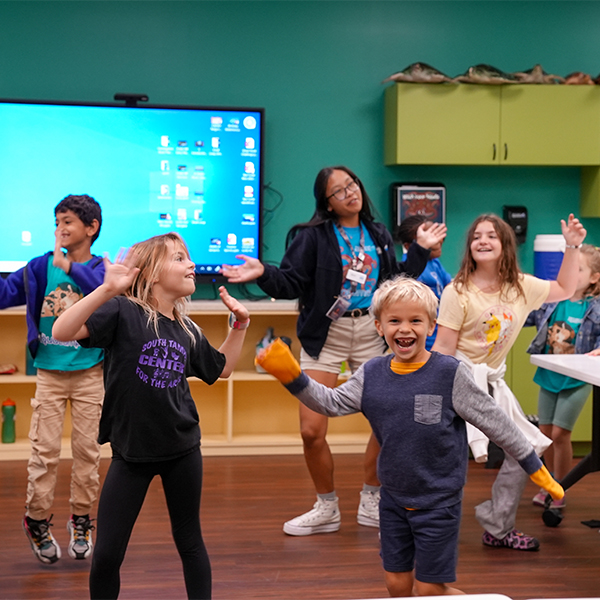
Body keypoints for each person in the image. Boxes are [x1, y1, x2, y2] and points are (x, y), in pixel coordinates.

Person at [255, 276, 563, 597]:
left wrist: (537, 471)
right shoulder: (371, 374)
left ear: (431, 327)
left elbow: (498, 424)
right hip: (393, 500)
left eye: (416, 320)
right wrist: (292, 375)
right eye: (395, 321)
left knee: (429, 589)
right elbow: (330, 403)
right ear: (379, 327)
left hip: (439, 504)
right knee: (397, 585)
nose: (405, 329)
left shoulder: (450, 373)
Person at [222, 165, 447, 535]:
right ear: (326, 203)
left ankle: (372, 497)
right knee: (311, 430)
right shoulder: (312, 237)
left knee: (388, 422)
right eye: (339, 191)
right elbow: (291, 282)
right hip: (326, 332)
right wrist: (263, 272)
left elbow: (394, 279)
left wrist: (420, 249)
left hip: (374, 332)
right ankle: (326, 506)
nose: (349, 193)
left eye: (352, 185)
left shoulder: (376, 234)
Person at [52, 232, 249, 600]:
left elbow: (220, 369)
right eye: (179, 258)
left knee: (190, 541)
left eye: (188, 257)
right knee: (108, 554)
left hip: (183, 449)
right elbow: (62, 330)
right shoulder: (123, 311)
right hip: (131, 454)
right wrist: (106, 290)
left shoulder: (187, 328)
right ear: (153, 273)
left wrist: (239, 326)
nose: (191, 264)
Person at [432, 213, 586, 551]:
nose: (482, 241)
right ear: (470, 246)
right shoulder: (457, 291)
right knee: (441, 456)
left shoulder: (520, 287)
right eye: (476, 236)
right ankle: (419, 525)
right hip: (457, 380)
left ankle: (498, 527)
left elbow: (565, 288)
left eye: (491, 236)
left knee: (524, 450)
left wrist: (572, 246)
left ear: (505, 245)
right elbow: (443, 348)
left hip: (491, 384)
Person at [0, 194, 104, 564]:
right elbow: (5, 292)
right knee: (44, 454)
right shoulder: (38, 267)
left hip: (91, 373)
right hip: (49, 374)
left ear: (91, 229)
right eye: (57, 221)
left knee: (87, 454)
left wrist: (73, 268)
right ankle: (37, 521)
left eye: (68, 222)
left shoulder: (101, 269)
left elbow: (106, 294)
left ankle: (81, 520)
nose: (60, 228)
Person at [525, 243, 600, 508]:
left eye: (579, 269)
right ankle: (551, 483)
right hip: (549, 374)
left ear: (594, 277)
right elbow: (525, 314)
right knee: (545, 433)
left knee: (560, 434)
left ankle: (560, 490)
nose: (571, 272)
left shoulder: (595, 307)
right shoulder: (552, 301)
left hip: (576, 380)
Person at [397, 214, 452, 349]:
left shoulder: (435, 262)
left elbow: (450, 287)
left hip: (442, 333)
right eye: (427, 238)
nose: (438, 241)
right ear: (409, 246)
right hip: (425, 339)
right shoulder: (408, 269)